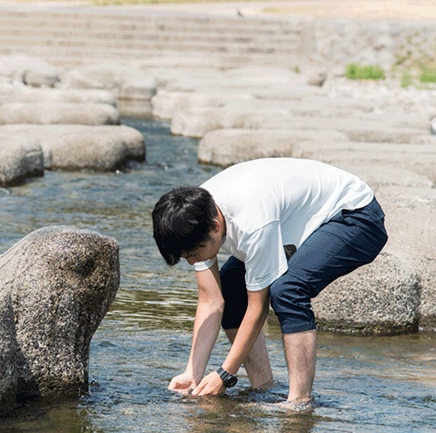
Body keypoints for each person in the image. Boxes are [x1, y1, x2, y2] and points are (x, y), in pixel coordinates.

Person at [152, 157, 388, 410]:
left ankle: (299, 403)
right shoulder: (192, 219)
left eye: (193, 254)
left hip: (356, 216)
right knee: (230, 286)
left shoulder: (252, 222)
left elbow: (258, 308)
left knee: (287, 290)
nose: (191, 262)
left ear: (216, 226)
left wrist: (225, 374)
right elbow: (211, 300)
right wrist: (192, 373)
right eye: (185, 257)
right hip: (298, 222)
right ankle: (263, 388)